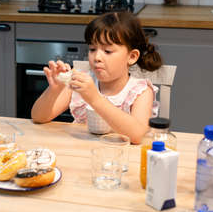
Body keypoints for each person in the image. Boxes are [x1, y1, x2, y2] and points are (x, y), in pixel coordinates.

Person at [31, 11, 162, 144]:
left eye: (107, 51)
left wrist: (94, 98)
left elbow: (137, 136)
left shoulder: (141, 91)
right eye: (92, 49)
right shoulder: (80, 81)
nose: (97, 57)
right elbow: (38, 117)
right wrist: (54, 90)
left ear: (132, 56)